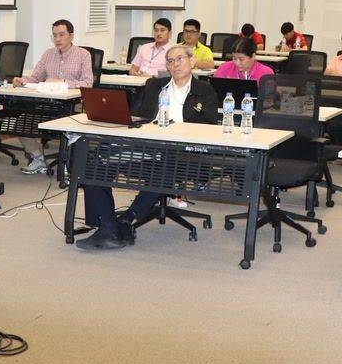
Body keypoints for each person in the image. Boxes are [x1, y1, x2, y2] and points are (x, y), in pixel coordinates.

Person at [78, 45, 219, 250]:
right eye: (170, 61)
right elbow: (137, 115)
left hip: (183, 152)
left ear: (192, 61)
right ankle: (107, 226)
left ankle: (126, 220)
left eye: (179, 59)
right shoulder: (155, 85)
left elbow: (209, 127)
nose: (174, 64)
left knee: (165, 168)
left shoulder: (205, 91)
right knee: (96, 161)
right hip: (148, 145)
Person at [13, 19, 93, 174]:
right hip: (48, 104)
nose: (57, 39)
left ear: (71, 36)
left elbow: (88, 83)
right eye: (54, 35)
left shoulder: (83, 55)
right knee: (21, 124)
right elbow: (36, 78)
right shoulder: (48, 54)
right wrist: (22, 80)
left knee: (72, 129)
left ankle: (69, 164)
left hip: (73, 106)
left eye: (61, 35)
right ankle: (38, 159)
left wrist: (62, 82)